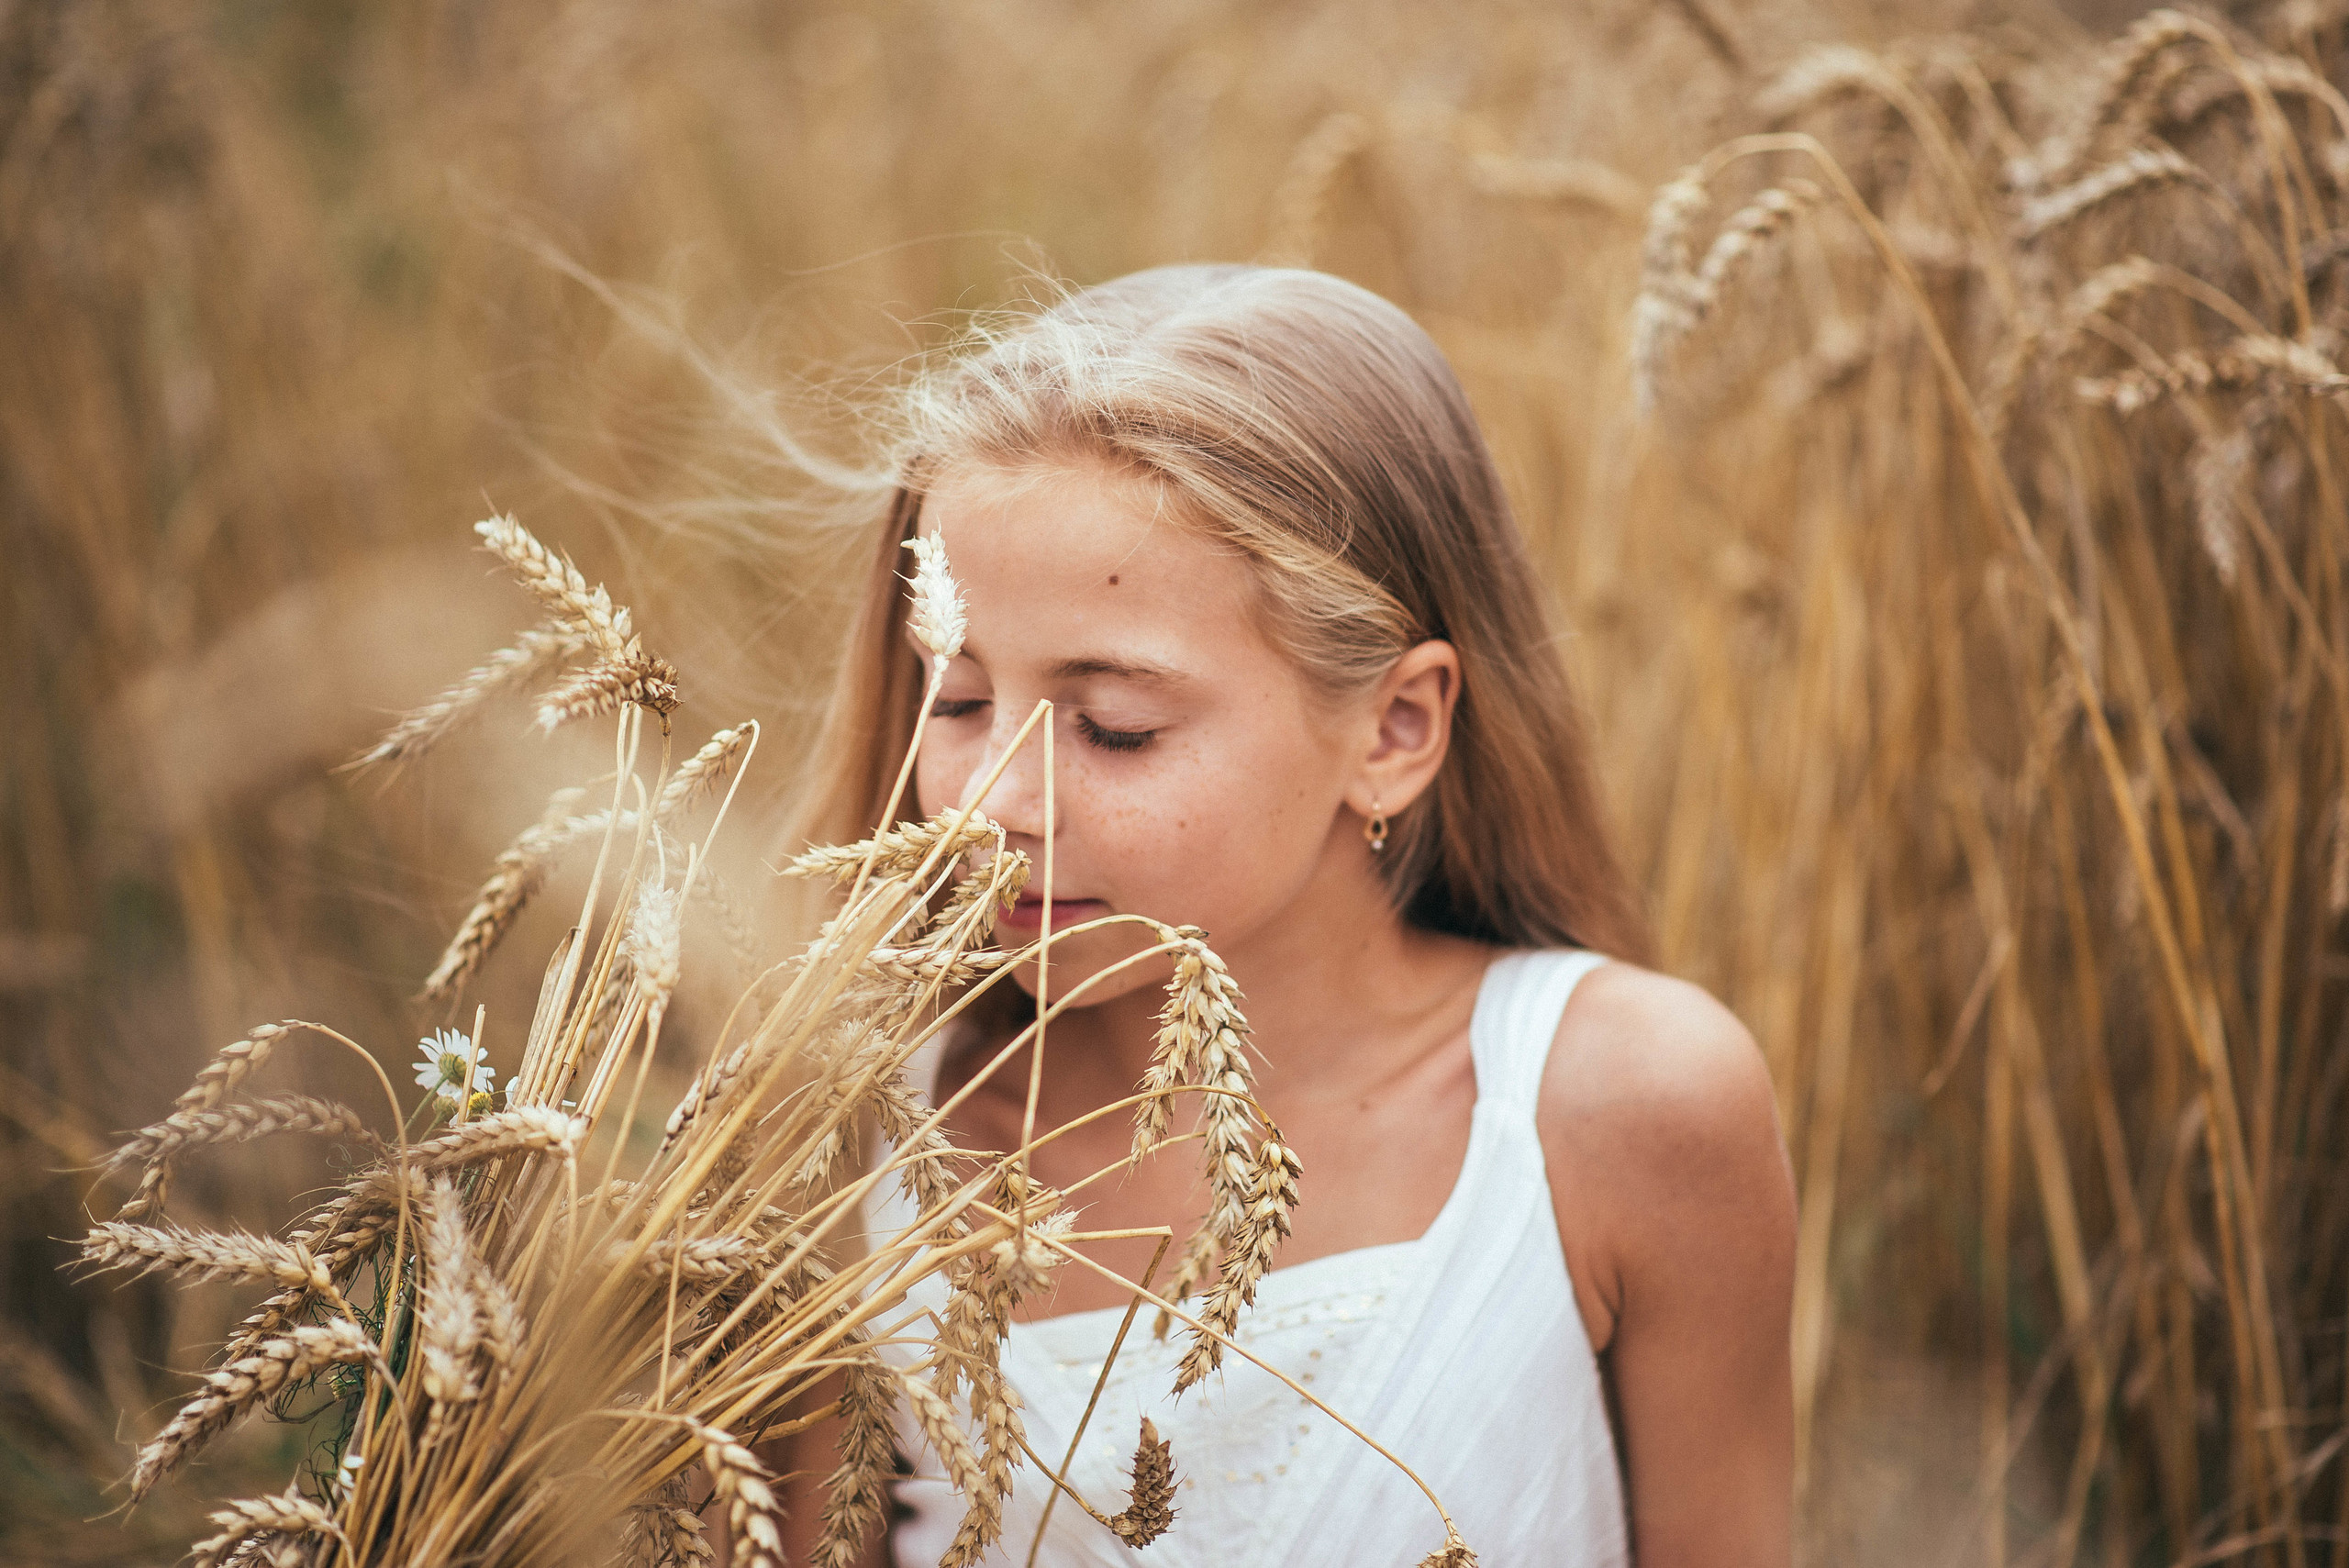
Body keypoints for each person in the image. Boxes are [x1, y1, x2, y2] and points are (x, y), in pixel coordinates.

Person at [776, 263, 1795, 1568]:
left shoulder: (1617, 1109)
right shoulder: (867, 1133)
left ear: (1394, 728)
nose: (991, 801)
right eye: (959, 701)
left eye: (1115, 726)